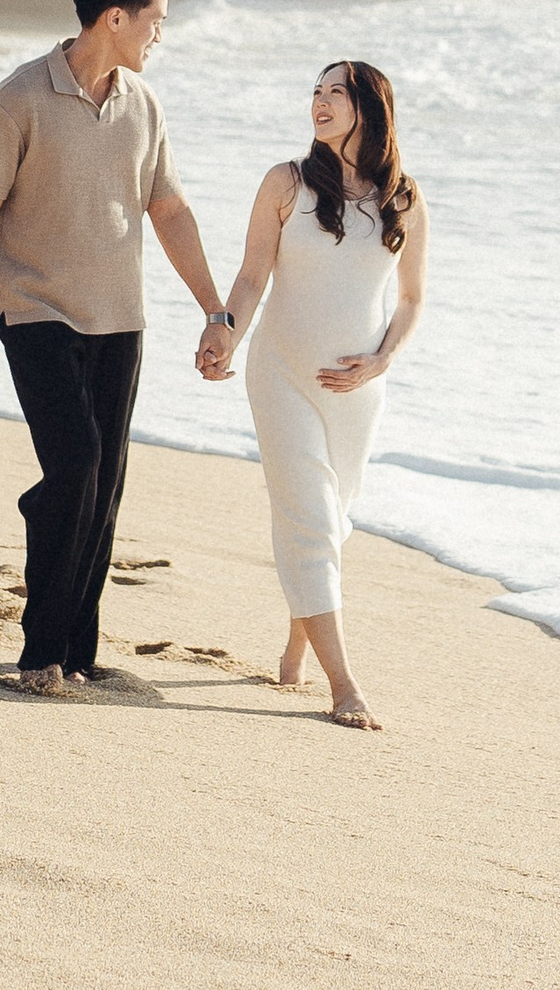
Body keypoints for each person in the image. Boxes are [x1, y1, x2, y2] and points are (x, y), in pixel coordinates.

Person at [0, 0, 229, 693]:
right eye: (155, 21)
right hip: (34, 312)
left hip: (118, 321)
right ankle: (40, 656)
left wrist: (215, 309)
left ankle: (77, 653)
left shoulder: (144, 103)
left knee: (103, 487)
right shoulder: (17, 101)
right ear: (115, 18)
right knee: (74, 469)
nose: (160, 36)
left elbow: (169, 210)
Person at [196, 57, 428, 730]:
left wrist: (381, 361)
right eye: (316, 92)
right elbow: (251, 274)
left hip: (357, 390)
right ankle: (344, 685)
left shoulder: (403, 196)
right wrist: (224, 331)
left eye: (336, 93)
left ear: (369, 108)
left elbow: (412, 299)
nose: (320, 102)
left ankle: (300, 638)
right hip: (283, 374)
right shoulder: (287, 182)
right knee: (311, 521)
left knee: (335, 518)